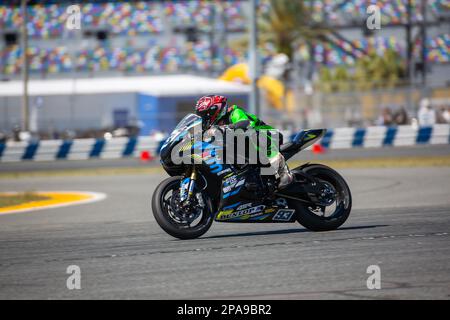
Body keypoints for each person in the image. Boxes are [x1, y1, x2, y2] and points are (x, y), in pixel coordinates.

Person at [194, 95, 294, 190]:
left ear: (215, 110)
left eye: (206, 114)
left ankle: (283, 171)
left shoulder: (234, 112)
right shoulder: (212, 127)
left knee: (249, 134)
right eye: (202, 116)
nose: (205, 119)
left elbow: (245, 123)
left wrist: (224, 128)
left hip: (269, 136)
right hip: (251, 152)